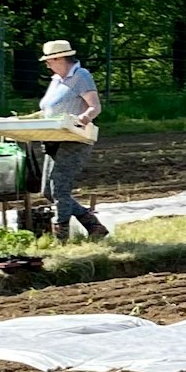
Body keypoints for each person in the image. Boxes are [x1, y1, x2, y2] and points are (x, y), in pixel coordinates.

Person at [37, 39, 107, 241]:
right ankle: (93, 225)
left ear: (59, 59)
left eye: (49, 61)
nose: (47, 65)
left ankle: (61, 238)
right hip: (53, 139)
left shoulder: (81, 76)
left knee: (59, 188)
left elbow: (94, 107)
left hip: (74, 139)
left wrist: (81, 119)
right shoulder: (57, 80)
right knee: (48, 191)